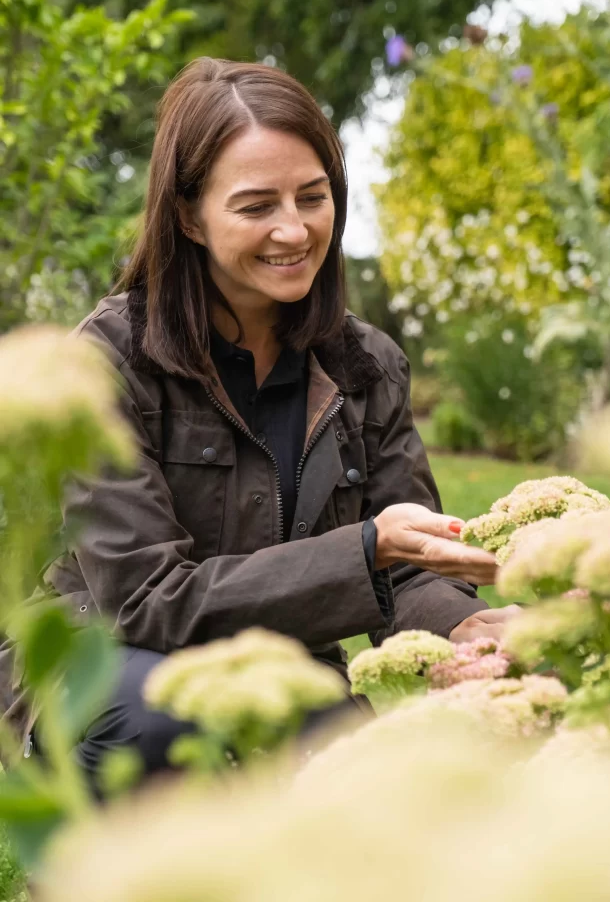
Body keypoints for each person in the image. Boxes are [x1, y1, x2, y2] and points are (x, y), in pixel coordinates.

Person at [2, 58, 518, 785]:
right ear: (187, 216)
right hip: (102, 661)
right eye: (254, 207)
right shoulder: (109, 361)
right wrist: (363, 548)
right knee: (158, 720)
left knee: (366, 787)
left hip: (283, 659)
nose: (294, 230)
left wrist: (461, 629)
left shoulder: (365, 365)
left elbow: (406, 566)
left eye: (312, 197)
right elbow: (147, 602)